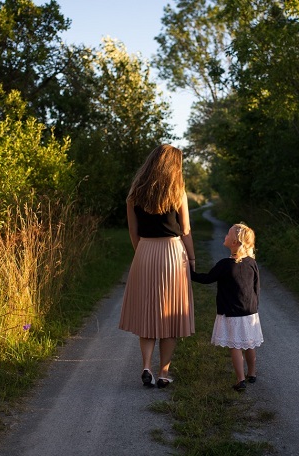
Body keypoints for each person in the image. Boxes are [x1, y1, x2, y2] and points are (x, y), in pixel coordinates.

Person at [119, 144, 195, 389]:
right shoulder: (177, 192)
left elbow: (133, 231)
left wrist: (141, 252)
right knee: (169, 315)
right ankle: (163, 373)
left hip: (144, 251)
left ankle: (146, 367)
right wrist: (192, 259)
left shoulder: (134, 193)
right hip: (172, 253)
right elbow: (185, 231)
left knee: (148, 313)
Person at [190, 223, 263, 392]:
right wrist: (254, 306)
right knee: (249, 343)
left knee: (235, 346)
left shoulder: (224, 265)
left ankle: (240, 379)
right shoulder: (252, 263)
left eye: (228, 234)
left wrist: (188, 273)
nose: (225, 236)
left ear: (235, 242)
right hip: (250, 312)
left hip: (231, 312)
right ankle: (252, 373)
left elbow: (207, 278)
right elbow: (256, 287)